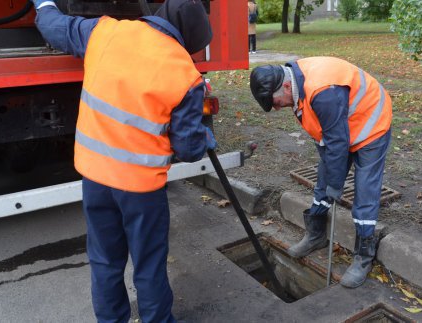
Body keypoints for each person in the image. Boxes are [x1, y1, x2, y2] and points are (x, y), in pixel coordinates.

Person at [31, 0, 217, 322]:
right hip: (141, 189)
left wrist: (43, 2)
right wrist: (206, 139)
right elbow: (188, 149)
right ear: (187, 38)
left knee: (104, 262)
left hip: (96, 179)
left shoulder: (105, 32)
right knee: (149, 265)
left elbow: (53, 26)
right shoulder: (184, 73)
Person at [249, 57, 392, 288]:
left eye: (275, 102)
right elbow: (325, 136)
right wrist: (330, 179)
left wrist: (336, 184)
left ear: (285, 86)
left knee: (365, 191)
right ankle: (315, 236)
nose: (276, 107)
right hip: (340, 126)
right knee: (324, 180)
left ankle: (363, 257)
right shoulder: (296, 88)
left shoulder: (323, 91)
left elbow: (338, 142)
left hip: (370, 125)